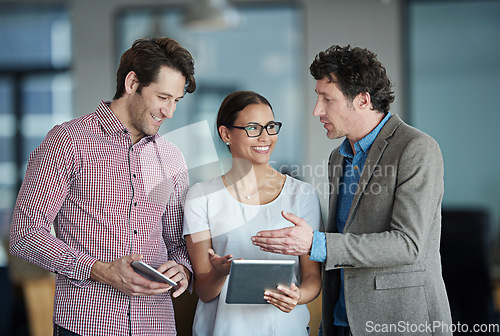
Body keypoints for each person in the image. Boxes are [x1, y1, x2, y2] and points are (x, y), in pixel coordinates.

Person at [251, 45, 453, 336]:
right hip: (342, 321)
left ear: (362, 100)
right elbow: (346, 238)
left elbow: (407, 245)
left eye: (327, 99)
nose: (316, 110)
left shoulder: (416, 148)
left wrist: (316, 244)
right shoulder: (339, 157)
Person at [9, 37, 196, 336]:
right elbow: (26, 235)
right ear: (132, 82)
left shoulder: (172, 158)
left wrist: (182, 268)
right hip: (87, 324)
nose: (170, 112)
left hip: (156, 325)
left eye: (176, 101)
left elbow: (177, 244)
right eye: (163, 97)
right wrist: (100, 270)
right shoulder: (67, 141)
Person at [183, 91, 322, 336]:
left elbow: (312, 278)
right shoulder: (200, 196)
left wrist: (298, 296)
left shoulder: (302, 194)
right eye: (252, 128)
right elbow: (204, 291)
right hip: (222, 329)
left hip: (284, 329)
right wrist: (219, 272)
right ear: (226, 134)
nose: (265, 137)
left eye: (270, 126)